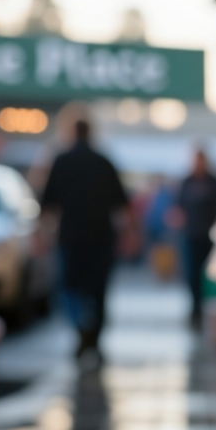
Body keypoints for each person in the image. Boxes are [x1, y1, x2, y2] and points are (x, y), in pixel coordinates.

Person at [40, 118, 129, 360]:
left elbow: (45, 203)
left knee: (69, 288)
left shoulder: (60, 160)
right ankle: (94, 339)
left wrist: (41, 235)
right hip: (101, 239)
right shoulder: (103, 162)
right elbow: (122, 205)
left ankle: (81, 330)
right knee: (98, 292)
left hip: (71, 238)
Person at [173, 149, 216, 325]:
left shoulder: (214, 182)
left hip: (210, 236)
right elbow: (178, 207)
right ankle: (195, 308)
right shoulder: (186, 182)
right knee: (192, 274)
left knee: (209, 276)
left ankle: (208, 307)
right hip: (191, 235)